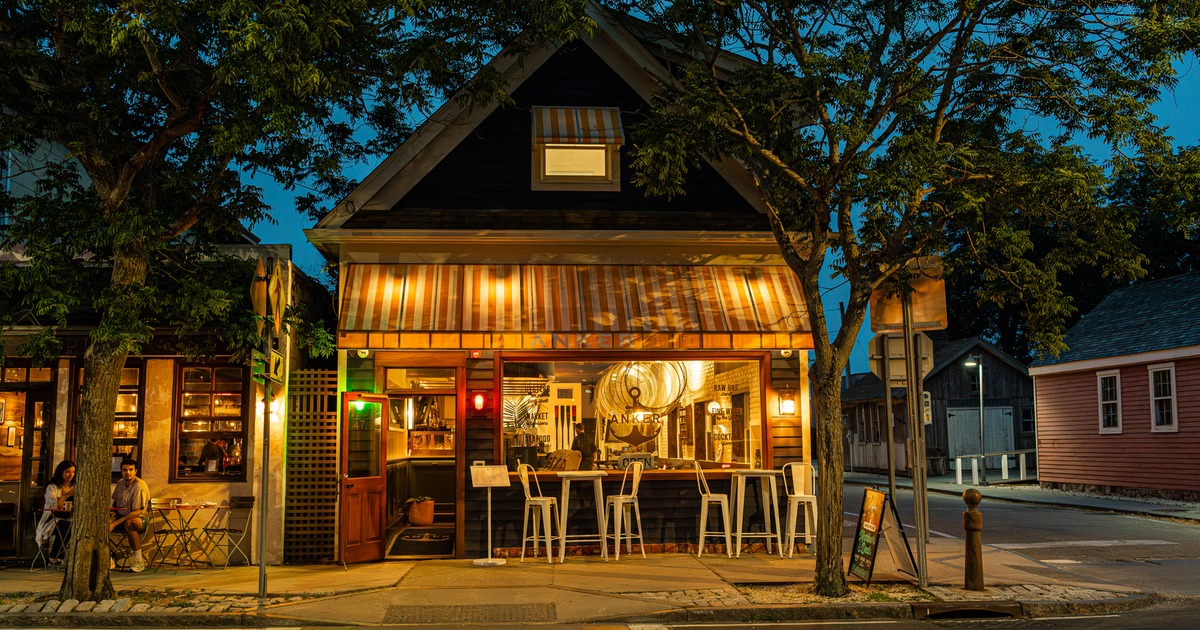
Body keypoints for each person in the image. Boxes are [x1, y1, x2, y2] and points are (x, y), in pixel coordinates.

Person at [110, 458, 149, 572]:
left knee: (129, 523)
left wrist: (116, 523)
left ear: (136, 471)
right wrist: (112, 515)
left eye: (131, 469)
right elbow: (115, 503)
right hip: (120, 516)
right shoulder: (120, 483)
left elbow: (136, 511)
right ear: (121, 471)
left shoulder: (139, 485)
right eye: (125, 470)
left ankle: (139, 561)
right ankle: (108, 557)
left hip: (138, 518)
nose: (128, 473)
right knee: (102, 523)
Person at [35, 460, 75, 560]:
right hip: (53, 518)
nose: (70, 475)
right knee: (66, 527)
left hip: (71, 517)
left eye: (73, 472)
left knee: (73, 525)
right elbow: (52, 503)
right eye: (67, 472)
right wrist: (66, 495)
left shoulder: (76, 486)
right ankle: (55, 556)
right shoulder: (53, 487)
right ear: (61, 472)